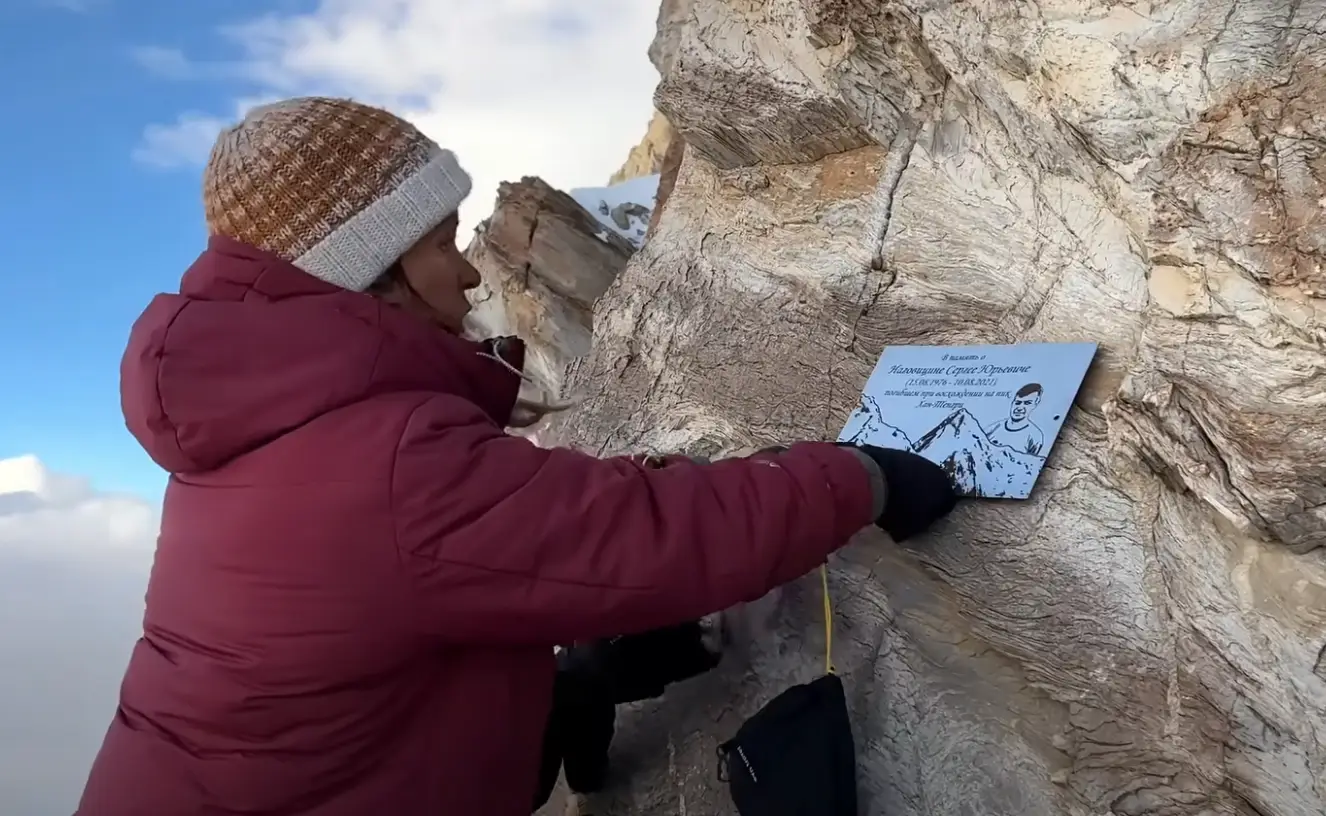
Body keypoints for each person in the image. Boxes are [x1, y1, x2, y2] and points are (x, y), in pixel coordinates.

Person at [76, 96, 957, 816]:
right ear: (371, 265)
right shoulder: (379, 457)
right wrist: (862, 476)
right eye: (439, 242)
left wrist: (554, 697)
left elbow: (363, 642)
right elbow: (651, 536)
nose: (466, 274)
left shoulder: (262, 430)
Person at [983, 383, 1046, 456]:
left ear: (1035, 404)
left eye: (1027, 403)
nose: (1020, 408)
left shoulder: (1035, 436)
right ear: (1012, 403)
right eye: (1018, 403)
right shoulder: (993, 428)